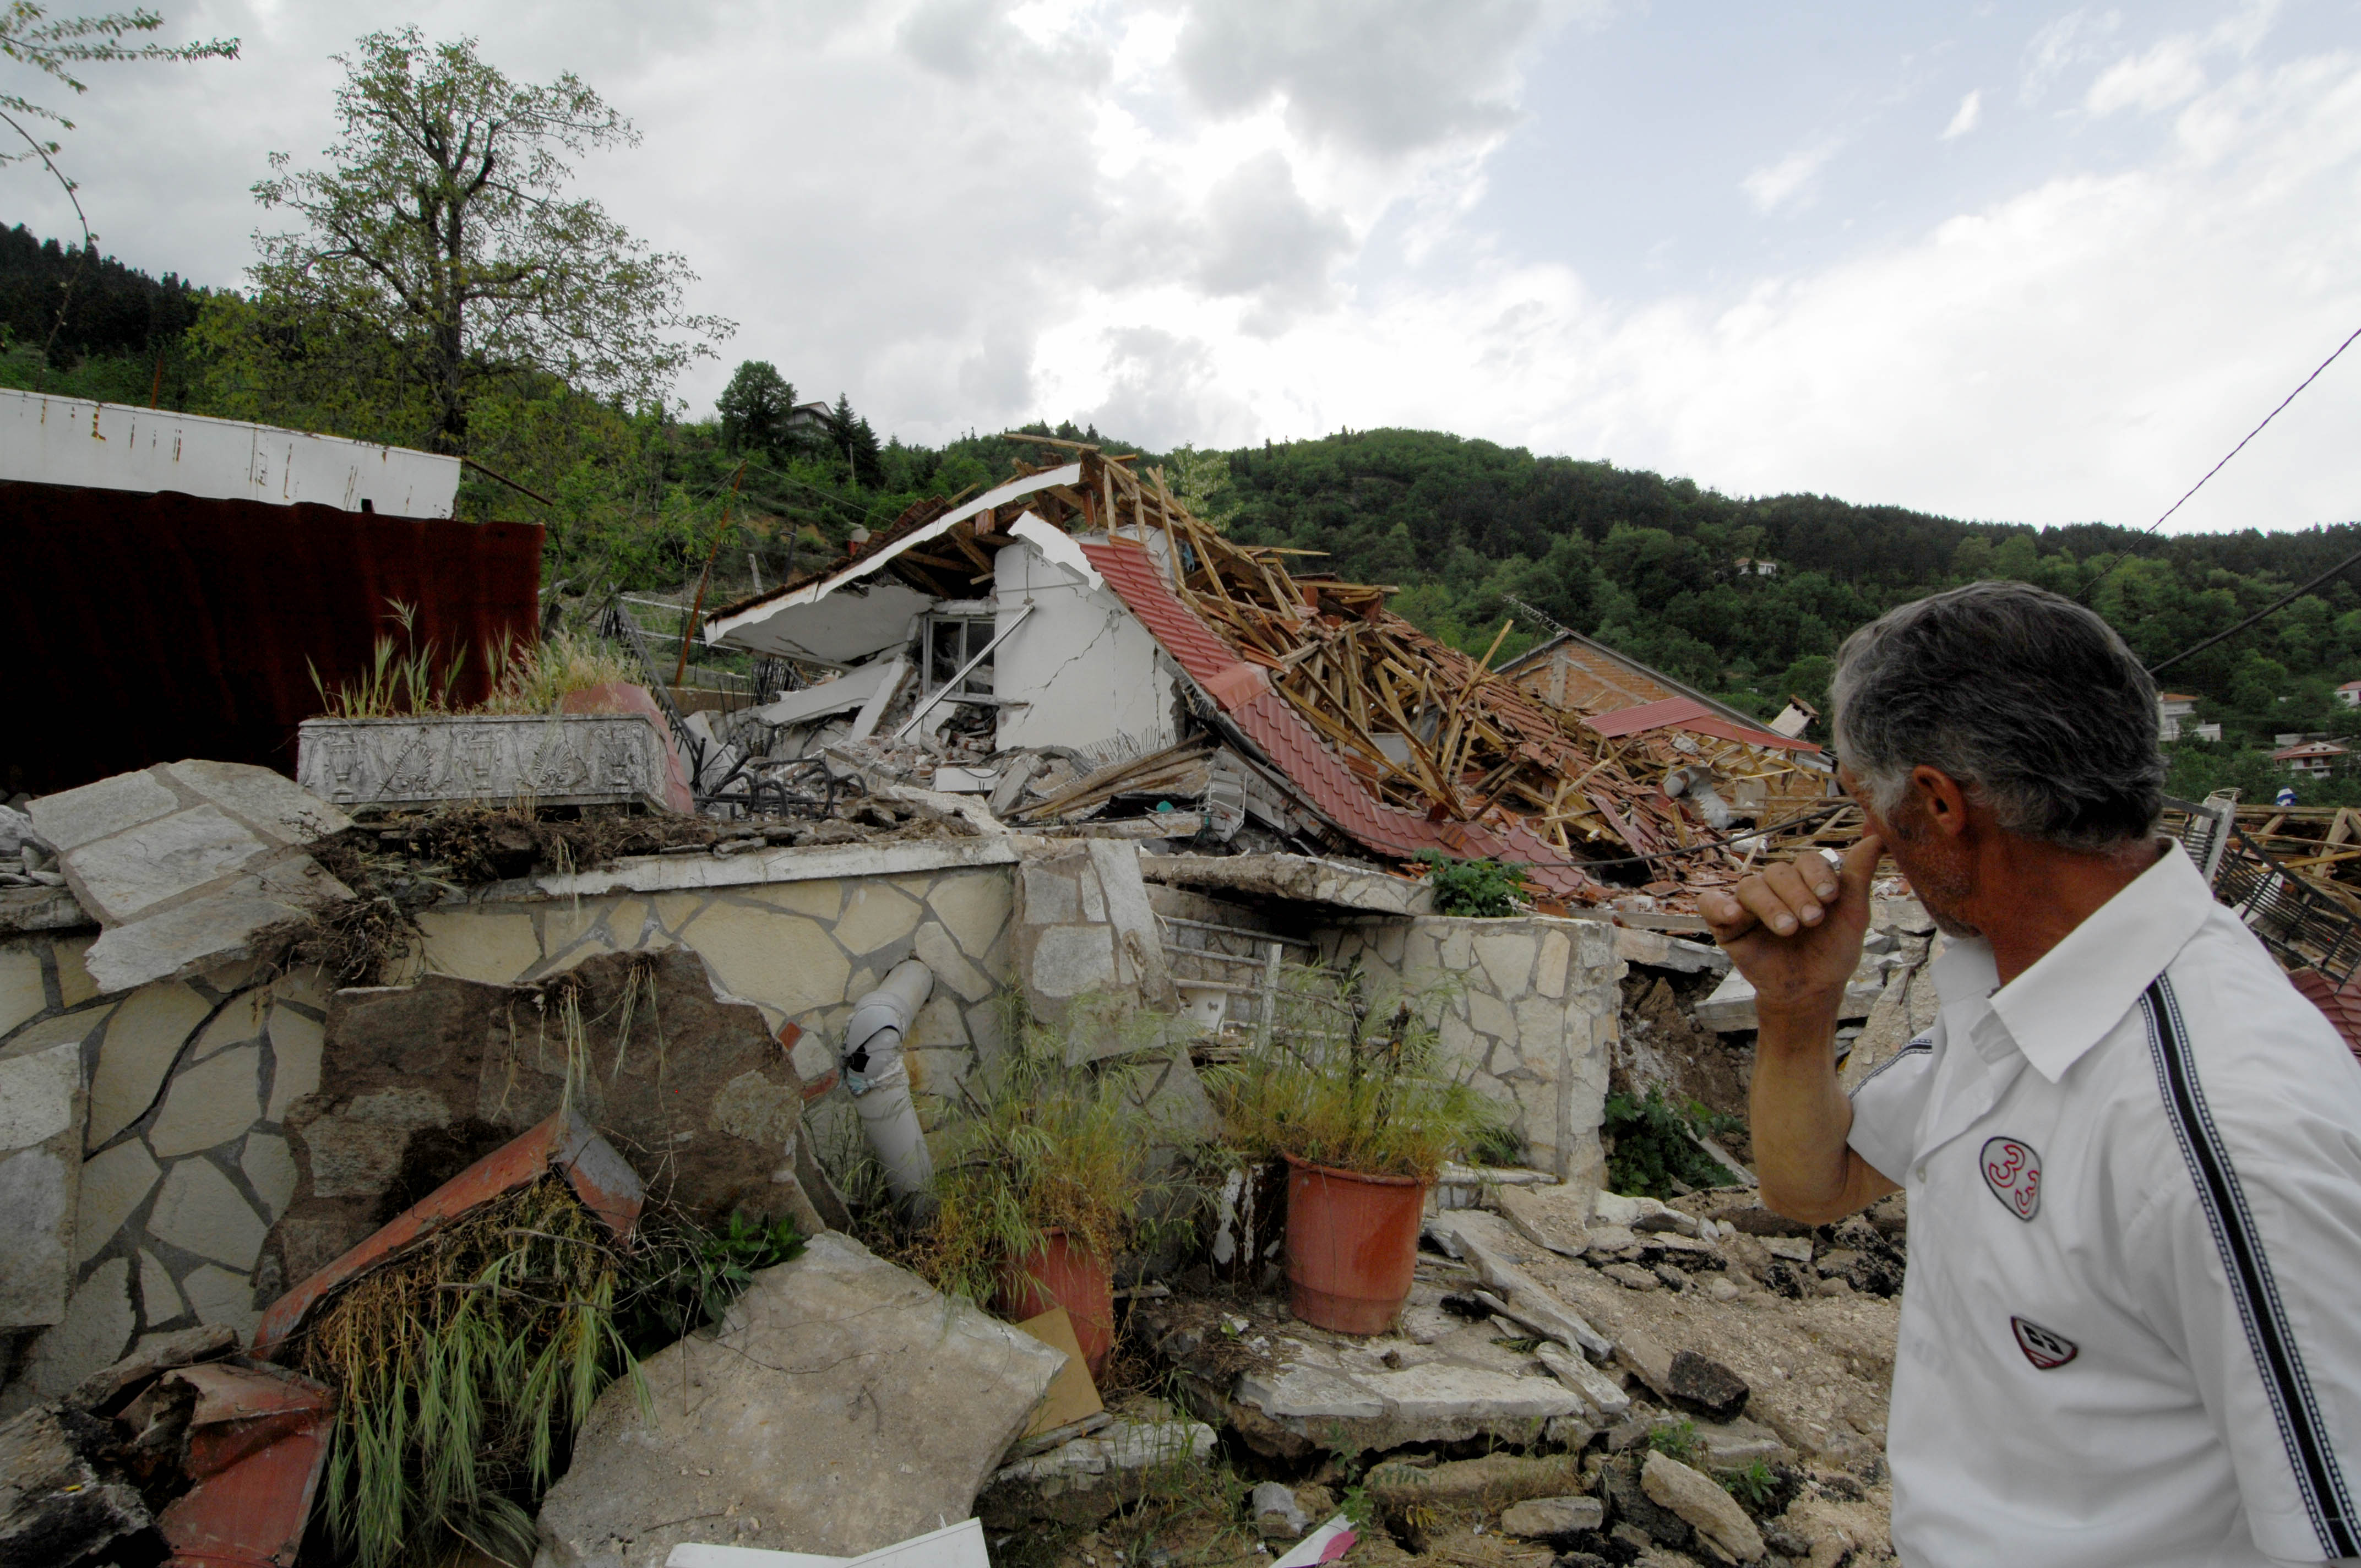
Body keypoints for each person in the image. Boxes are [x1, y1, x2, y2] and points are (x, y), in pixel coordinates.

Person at [1702, 581, 2361, 1567]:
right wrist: (1798, 1006)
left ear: (1936, 802)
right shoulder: (2028, 994)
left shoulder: (2227, 1130)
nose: (1859, 848)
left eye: (1860, 802)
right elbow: (1813, 1185)